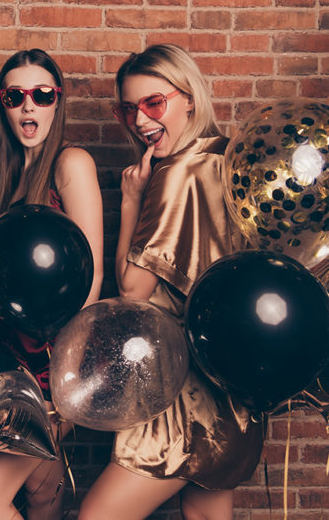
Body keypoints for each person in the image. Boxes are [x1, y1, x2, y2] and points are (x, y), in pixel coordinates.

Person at [76, 43, 264, 520]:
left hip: (183, 398)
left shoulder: (175, 174)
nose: (140, 121)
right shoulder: (227, 160)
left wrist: (131, 200)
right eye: (129, 108)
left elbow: (133, 291)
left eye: (154, 103)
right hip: (233, 394)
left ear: (189, 99)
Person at [0, 49, 103, 520]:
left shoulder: (71, 163)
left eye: (42, 95)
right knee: (40, 495)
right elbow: (16, 268)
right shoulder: (4, 176)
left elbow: (92, 273)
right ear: (2, 105)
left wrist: (69, 378)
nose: (29, 106)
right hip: (13, 359)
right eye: (16, 96)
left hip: (57, 363)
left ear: (57, 102)